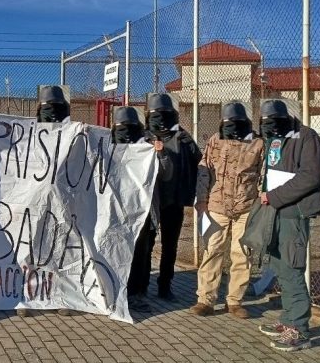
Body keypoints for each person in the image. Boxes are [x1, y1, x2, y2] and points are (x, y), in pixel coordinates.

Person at [256, 99, 320, 351]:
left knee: (292, 267)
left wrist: (273, 196)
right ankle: (288, 320)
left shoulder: (307, 137)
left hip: (294, 213)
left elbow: (310, 176)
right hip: (275, 211)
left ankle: (299, 330)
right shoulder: (276, 138)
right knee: (280, 266)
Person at [191, 102, 264, 319]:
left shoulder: (258, 143)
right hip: (216, 206)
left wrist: (261, 202)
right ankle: (205, 300)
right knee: (212, 250)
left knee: (242, 253)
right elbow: (204, 172)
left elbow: (263, 175)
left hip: (246, 207)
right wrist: (201, 200)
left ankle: (234, 301)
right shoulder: (216, 140)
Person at [18, 85, 71, 317]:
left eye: (56, 108)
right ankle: (26, 296)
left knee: (59, 249)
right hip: (34, 201)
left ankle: (59, 296)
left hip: (61, 202)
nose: (52, 113)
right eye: (48, 108)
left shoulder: (73, 133)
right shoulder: (28, 134)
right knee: (30, 248)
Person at [112, 106, 171, 313]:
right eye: (121, 128)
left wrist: (161, 153)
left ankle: (136, 294)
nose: (125, 132)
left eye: (129, 127)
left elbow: (166, 174)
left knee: (140, 255)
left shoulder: (148, 147)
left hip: (143, 212)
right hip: (116, 211)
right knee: (116, 252)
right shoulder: (108, 146)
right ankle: (115, 291)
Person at [144, 93, 201, 302]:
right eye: (156, 115)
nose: (161, 120)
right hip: (149, 201)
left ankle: (165, 286)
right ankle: (142, 285)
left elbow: (199, 161)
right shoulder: (143, 136)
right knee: (146, 245)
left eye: (165, 114)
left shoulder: (182, 137)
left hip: (174, 199)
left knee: (170, 246)